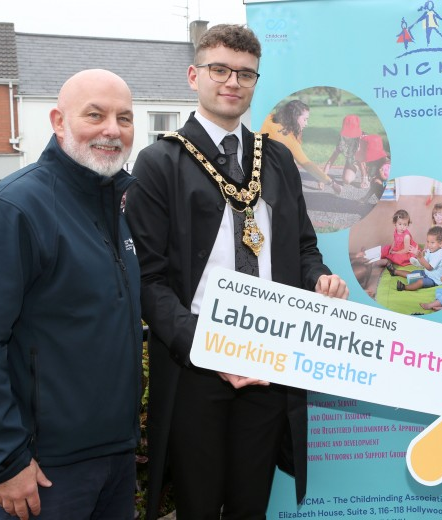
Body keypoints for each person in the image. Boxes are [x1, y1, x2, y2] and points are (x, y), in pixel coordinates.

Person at [125, 24, 348, 520]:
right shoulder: (160, 163)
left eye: (245, 73)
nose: (233, 82)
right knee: (200, 506)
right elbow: (147, 280)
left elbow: (303, 246)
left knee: (251, 504)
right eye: (220, 69)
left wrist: (319, 277)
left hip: (270, 357)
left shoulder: (278, 160)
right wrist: (209, 347)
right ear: (193, 76)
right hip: (195, 363)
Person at [0, 69, 141, 520]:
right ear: (58, 120)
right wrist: (4, 460)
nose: (112, 129)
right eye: (96, 115)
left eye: (124, 118)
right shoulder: (11, 210)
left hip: (113, 458)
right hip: (41, 472)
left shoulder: (113, 206)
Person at [261, 99, 344, 193]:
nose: (306, 123)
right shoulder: (287, 138)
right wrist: (332, 183)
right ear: (294, 117)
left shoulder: (268, 117)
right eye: (305, 119)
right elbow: (307, 164)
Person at [386, 226, 442, 292]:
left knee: (420, 282)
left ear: (440, 244)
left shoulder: (439, 255)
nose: (429, 245)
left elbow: (429, 267)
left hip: (434, 280)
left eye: (432, 243)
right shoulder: (430, 250)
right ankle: (394, 272)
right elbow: (425, 261)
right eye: (428, 242)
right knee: (412, 274)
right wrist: (418, 256)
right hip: (426, 273)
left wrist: (420, 257)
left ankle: (404, 287)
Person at [324, 114, 362, 185]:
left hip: (367, 162)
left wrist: (365, 177)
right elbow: (331, 161)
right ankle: (355, 168)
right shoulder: (342, 141)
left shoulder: (363, 138)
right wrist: (322, 178)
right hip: (353, 162)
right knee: (347, 180)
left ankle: (370, 173)